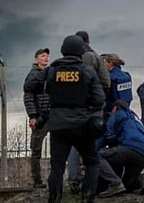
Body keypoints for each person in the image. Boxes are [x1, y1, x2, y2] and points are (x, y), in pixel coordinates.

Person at [24, 34, 105, 203]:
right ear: (81, 51)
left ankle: (54, 199)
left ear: (63, 50)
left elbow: (29, 85)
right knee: (92, 162)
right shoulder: (87, 70)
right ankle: (87, 198)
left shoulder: (52, 70)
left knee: (57, 167)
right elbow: (99, 100)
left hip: (58, 126)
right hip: (82, 125)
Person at [67, 30, 111, 192]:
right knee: (92, 142)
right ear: (88, 41)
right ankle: (92, 180)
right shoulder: (94, 57)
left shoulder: (67, 60)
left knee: (74, 143)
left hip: (73, 107)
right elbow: (106, 83)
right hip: (92, 107)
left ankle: (74, 178)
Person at [96, 100, 144, 198]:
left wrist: (95, 149)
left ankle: (115, 183)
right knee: (127, 185)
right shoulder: (135, 118)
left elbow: (106, 133)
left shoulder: (118, 113)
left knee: (97, 156)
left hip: (129, 147)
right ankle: (141, 179)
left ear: (115, 108)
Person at [23, 47, 51, 188]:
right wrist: (32, 116)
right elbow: (28, 96)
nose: (45, 58)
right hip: (40, 117)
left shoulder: (49, 73)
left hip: (51, 115)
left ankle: (54, 178)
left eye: (47, 56)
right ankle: (37, 180)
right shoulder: (33, 75)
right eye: (42, 56)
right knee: (36, 150)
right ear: (36, 59)